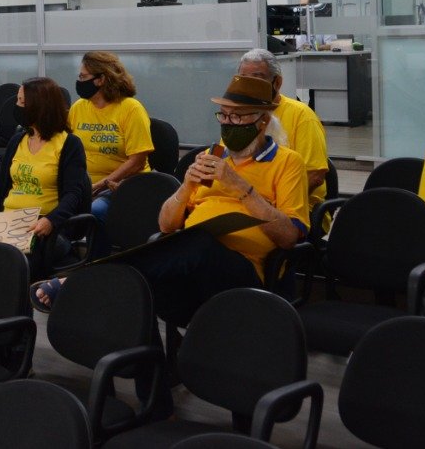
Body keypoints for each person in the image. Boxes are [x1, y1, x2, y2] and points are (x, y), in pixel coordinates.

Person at [34, 75, 308, 328]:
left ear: (262, 121)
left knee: (198, 242)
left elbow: (289, 237)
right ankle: (142, 352)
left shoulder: (287, 162)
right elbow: (166, 225)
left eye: (237, 117)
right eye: (223, 115)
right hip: (189, 264)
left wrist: (239, 186)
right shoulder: (212, 155)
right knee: (144, 288)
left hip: (242, 270)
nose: (227, 123)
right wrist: (186, 187)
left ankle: (83, 281)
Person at [0, 77, 90, 270]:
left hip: (42, 227)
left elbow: (73, 195)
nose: (17, 106)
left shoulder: (69, 144)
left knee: (1, 264)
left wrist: (50, 221)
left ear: (40, 107)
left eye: (22, 102)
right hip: (6, 222)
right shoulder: (18, 140)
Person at [67, 51, 154, 255]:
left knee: (95, 212)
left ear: (101, 79)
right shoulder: (79, 108)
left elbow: (137, 161)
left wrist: (101, 185)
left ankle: (99, 265)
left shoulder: (131, 109)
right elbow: (67, 149)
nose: (79, 81)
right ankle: (64, 259)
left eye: (83, 77)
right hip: (85, 186)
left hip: (121, 186)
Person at [236, 48, 329, 212]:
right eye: (244, 79)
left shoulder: (302, 116)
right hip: (245, 202)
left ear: (277, 83)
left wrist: (271, 204)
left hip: (292, 207)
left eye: (257, 78)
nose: (250, 86)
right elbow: (227, 160)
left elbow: (315, 175)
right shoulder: (237, 114)